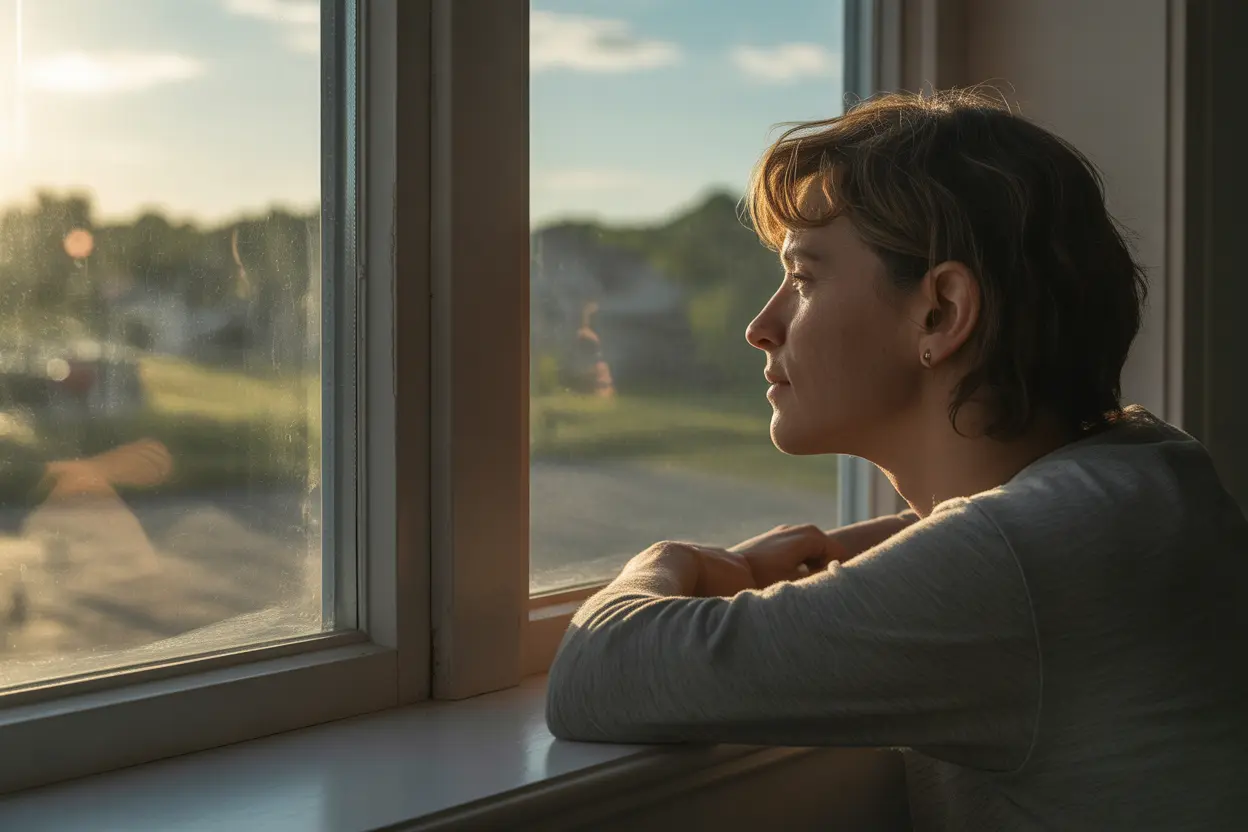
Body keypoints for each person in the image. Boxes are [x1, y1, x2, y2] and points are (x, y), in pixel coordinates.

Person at [544, 89, 1248, 831]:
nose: (761, 325)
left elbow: (596, 673)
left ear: (940, 313)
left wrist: (685, 562)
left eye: (804, 278)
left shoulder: (1024, 558)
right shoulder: (1147, 467)